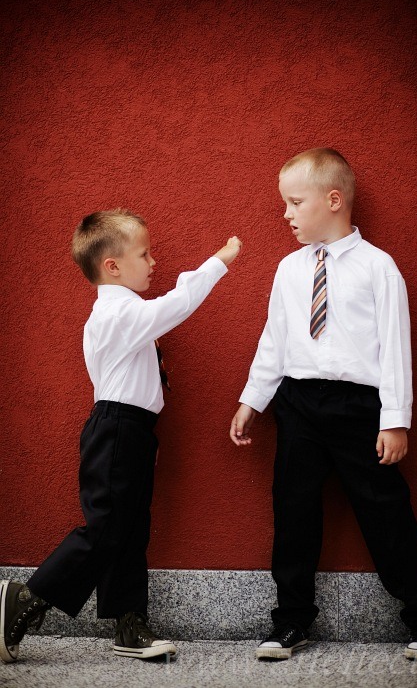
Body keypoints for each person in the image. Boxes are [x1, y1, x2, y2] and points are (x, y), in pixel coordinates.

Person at [230, 148, 417, 661]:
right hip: (298, 402)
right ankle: (291, 621)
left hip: (359, 407)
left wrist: (395, 420)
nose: (286, 214)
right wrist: (252, 399)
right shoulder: (288, 269)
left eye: (294, 202)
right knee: (294, 511)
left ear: (333, 200)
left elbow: (395, 347)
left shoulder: (378, 268)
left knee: (384, 510)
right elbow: (273, 339)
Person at [0, 209, 242, 664]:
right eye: (145, 253)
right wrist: (219, 261)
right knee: (108, 528)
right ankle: (26, 600)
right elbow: (176, 306)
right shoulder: (119, 313)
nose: (154, 261)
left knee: (129, 531)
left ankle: (128, 624)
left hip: (132, 430)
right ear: (112, 266)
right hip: (116, 428)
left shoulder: (125, 311)